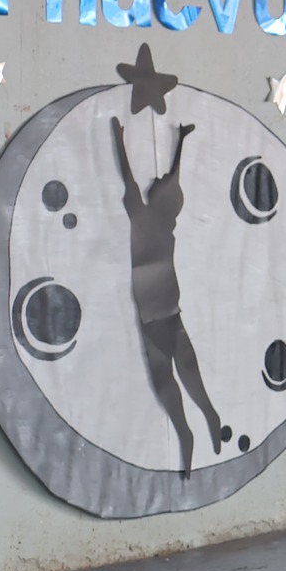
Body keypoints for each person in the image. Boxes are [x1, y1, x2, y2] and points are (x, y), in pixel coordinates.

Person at [112, 118, 223, 479]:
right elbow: (162, 180)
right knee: (167, 383)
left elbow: (139, 181)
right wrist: (181, 144)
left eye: (158, 183)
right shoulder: (146, 218)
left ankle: (207, 414)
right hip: (153, 320)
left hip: (165, 315)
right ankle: (188, 432)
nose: (156, 180)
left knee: (186, 375)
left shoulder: (149, 219)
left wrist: (120, 139)